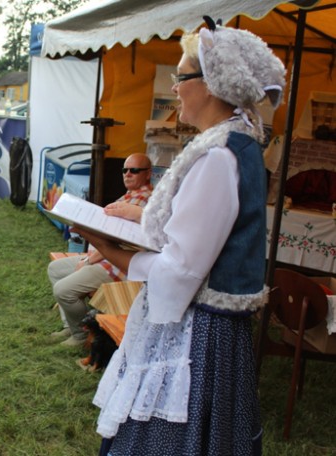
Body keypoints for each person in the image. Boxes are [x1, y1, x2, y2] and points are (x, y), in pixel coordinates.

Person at [73, 21, 286, 456]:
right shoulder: (230, 146)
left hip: (200, 332)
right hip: (209, 326)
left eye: (182, 76)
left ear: (211, 85)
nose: (175, 87)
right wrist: (136, 221)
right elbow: (190, 234)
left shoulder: (220, 156)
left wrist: (114, 249)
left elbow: (184, 268)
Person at [47, 153, 153, 347]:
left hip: (116, 265)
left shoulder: (143, 202)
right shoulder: (130, 197)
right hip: (103, 258)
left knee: (63, 290)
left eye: (134, 170)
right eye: (125, 170)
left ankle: (80, 335)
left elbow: (116, 242)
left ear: (148, 174)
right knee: (55, 269)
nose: (128, 174)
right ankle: (71, 325)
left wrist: (87, 260)